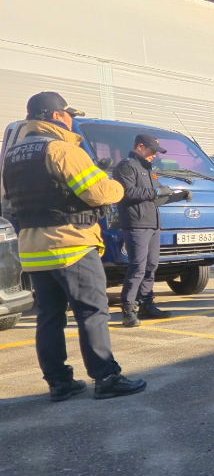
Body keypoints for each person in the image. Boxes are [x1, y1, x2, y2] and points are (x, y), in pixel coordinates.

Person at [1, 92, 146, 401]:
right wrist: (116, 185)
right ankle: (106, 378)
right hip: (71, 245)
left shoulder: (12, 155)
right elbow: (97, 192)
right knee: (92, 313)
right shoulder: (61, 149)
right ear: (56, 116)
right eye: (68, 114)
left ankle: (59, 383)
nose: (71, 119)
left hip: (32, 250)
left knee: (49, 318)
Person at [113, 133, 192, 327]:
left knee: (151, 267)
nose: (154, 155)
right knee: (137, 268)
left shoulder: (148, 169)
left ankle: (146, 304)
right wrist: (157, 191)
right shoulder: (126, 166)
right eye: (152, 151)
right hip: (136, 224)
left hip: (152, 224)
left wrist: (179, 196)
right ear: (140, 146)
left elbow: (157, 198)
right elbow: (127, 193)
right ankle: (128, 309)